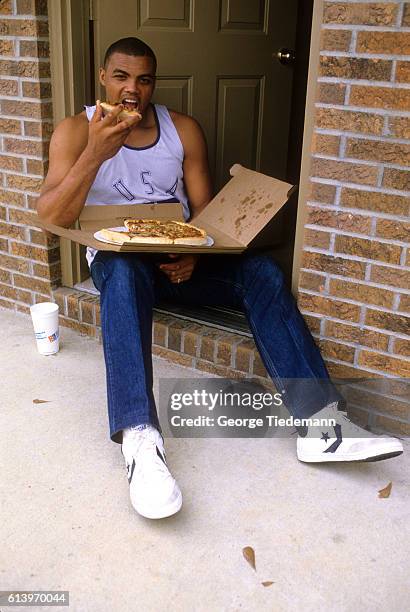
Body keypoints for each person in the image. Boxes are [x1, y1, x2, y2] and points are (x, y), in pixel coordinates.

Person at [37, 37, 403, 520]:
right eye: (122, 77)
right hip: (117, 260)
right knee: (123, 273)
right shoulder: (73, 131)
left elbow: (207, 221)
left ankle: (320, 428)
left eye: (144, 79)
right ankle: (140, 442)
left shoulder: (182, 129)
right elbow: (49, 215)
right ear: (103, 77)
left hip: (177, 259)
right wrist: (97, 153)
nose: (133, 90)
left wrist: (199, 257)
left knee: (261, 270)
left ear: (153, 83)